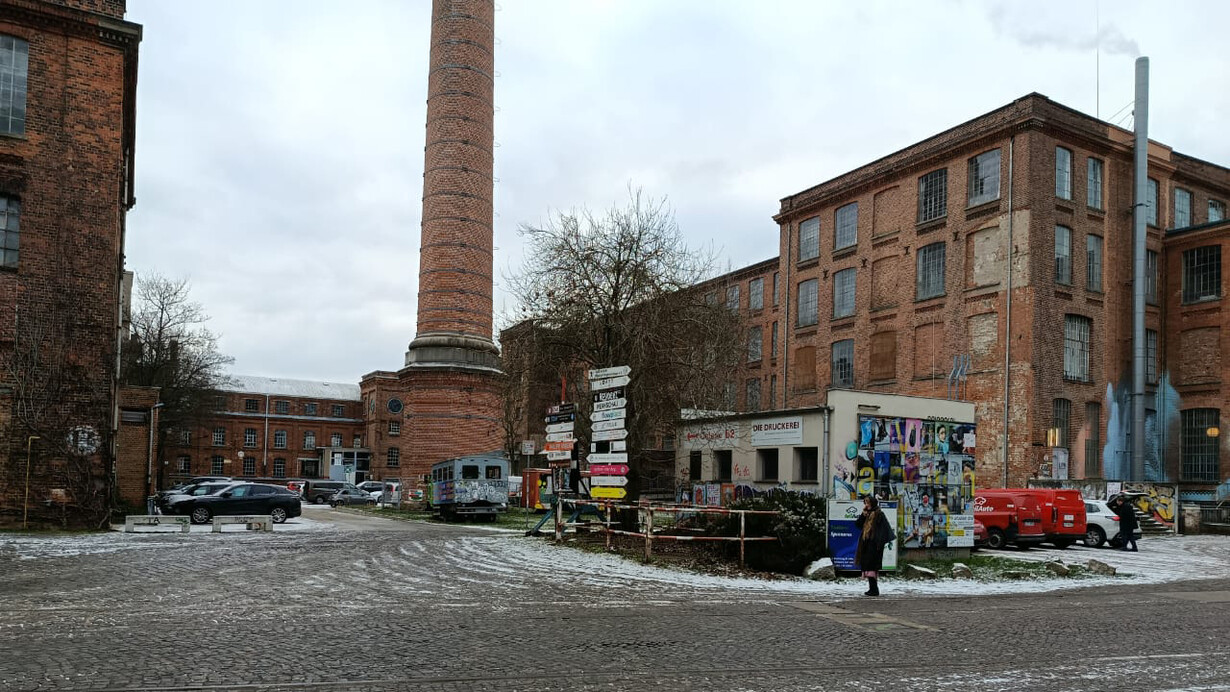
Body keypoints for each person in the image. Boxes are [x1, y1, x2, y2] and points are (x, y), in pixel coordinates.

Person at [855, 495, 896, 596]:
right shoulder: (867, 514)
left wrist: (878, 542)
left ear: (872, 503)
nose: (866, 505)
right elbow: (858, 525)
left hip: (874, 545)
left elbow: (883, 530)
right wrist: (863, 514)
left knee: (872, 566)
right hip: (866, 543)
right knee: (868, 566)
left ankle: (874, 589)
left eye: (868, 503)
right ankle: (872, 588)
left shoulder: (879, 514)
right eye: (865, 503)